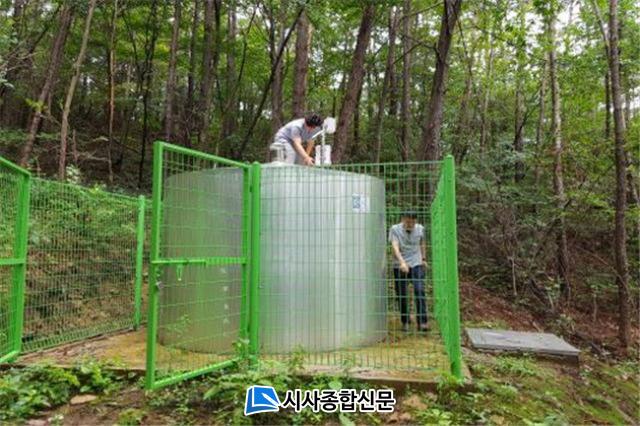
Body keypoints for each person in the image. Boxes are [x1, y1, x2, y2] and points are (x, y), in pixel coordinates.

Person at [389, 211, 429, 332]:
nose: (410, 224)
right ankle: (405, 321)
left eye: (413, 222)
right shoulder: (395, 229)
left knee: (419, 290)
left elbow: (422, 244)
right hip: (400, 264)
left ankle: (422, 322)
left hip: (416, 262)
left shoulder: (420, 229)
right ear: (403, 219)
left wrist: (423, 259)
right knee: (402, 293)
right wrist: (402, 262)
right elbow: (395, 247)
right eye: (407, 222)